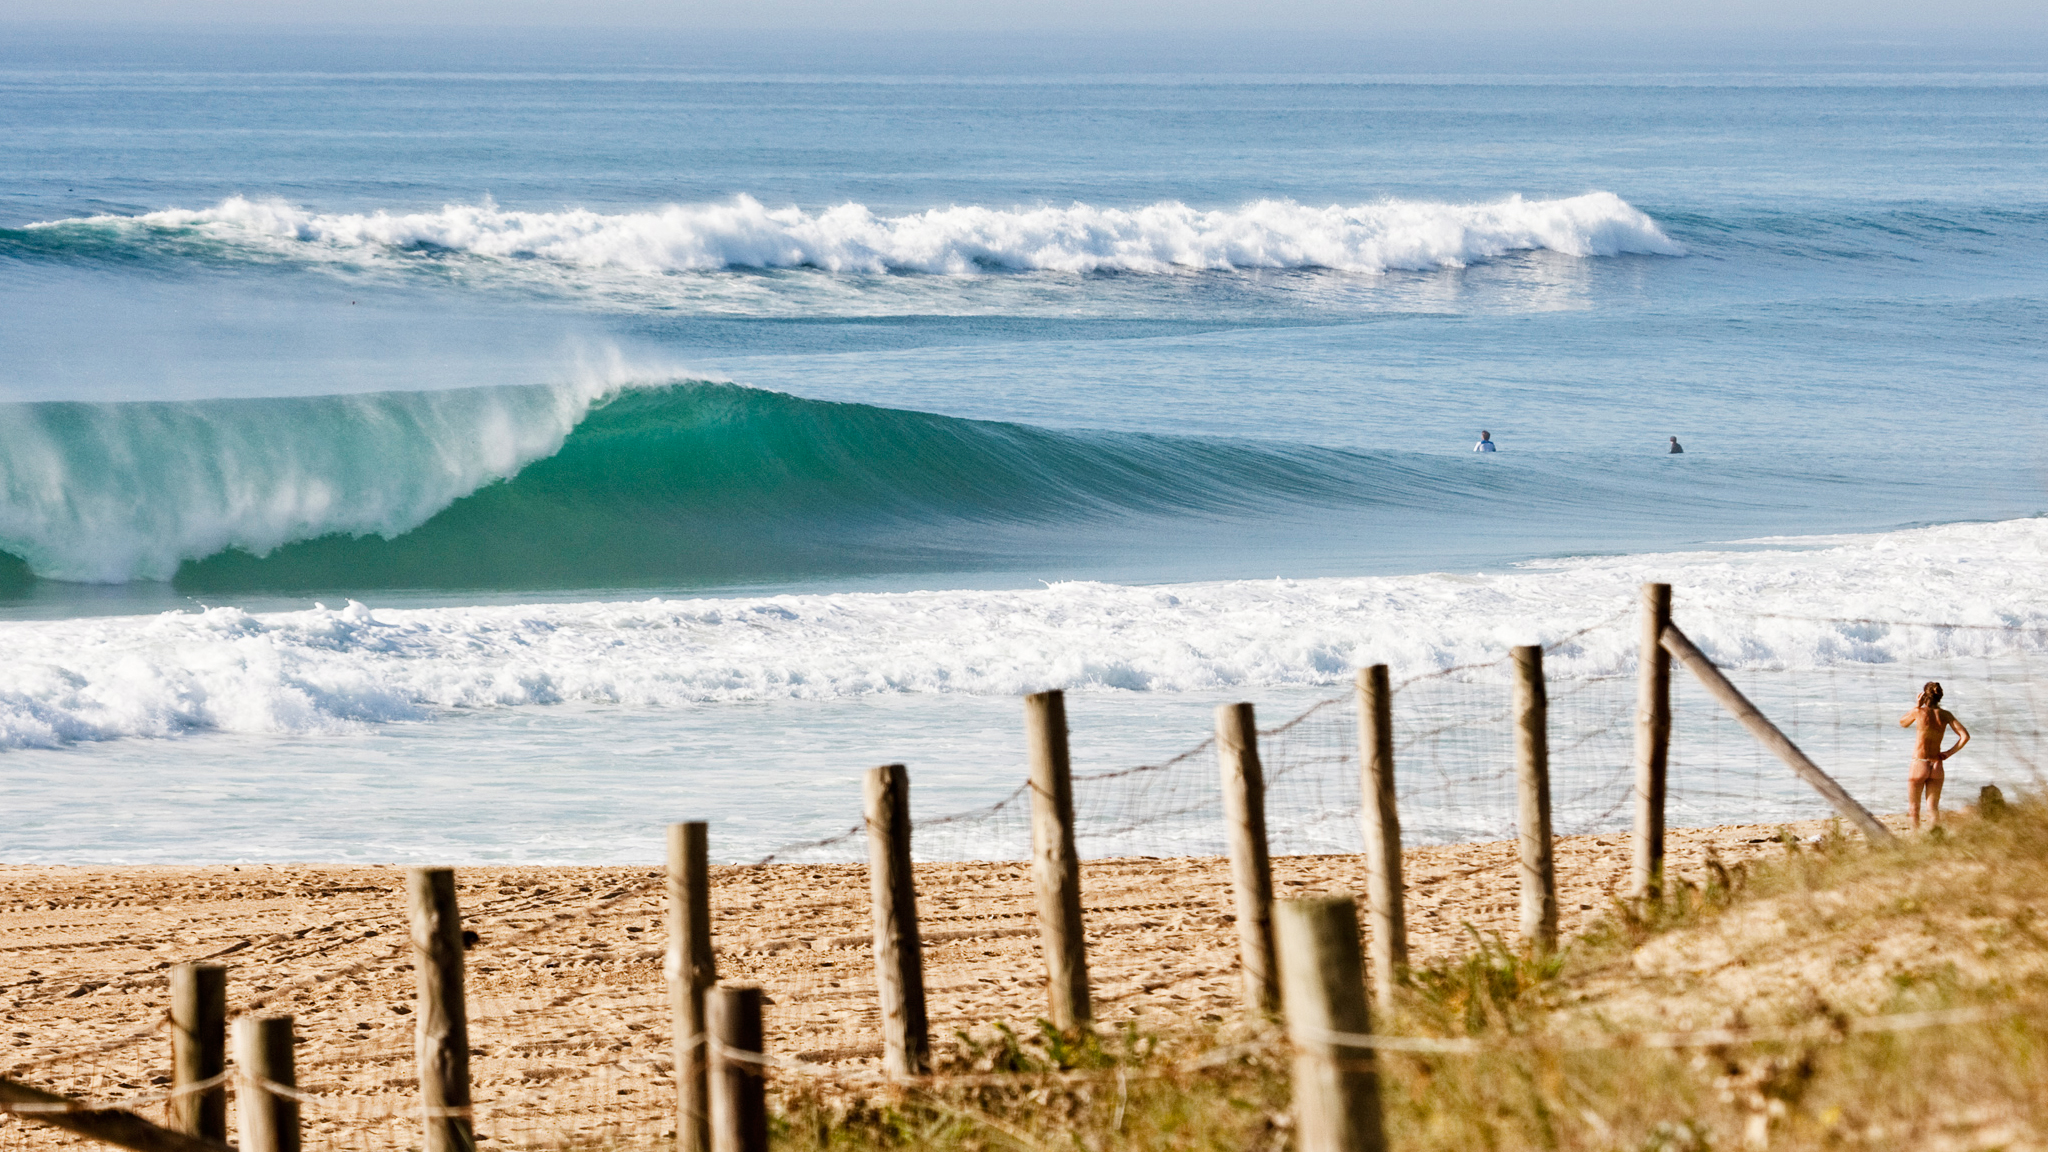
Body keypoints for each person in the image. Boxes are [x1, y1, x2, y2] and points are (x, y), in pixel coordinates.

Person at [1897, 681, 1968, 831]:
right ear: (1939, 696)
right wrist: (1948, 753)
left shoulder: (1919, 712)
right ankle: (1935, 838)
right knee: (1933, 808)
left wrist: (1917, 705)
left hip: (1919, 763)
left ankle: (1916, 840)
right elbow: (1965, 736)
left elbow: (1903, 723)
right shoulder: (1946, 715)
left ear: (1924, 696)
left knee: (1914, 808)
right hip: (1936, 764)